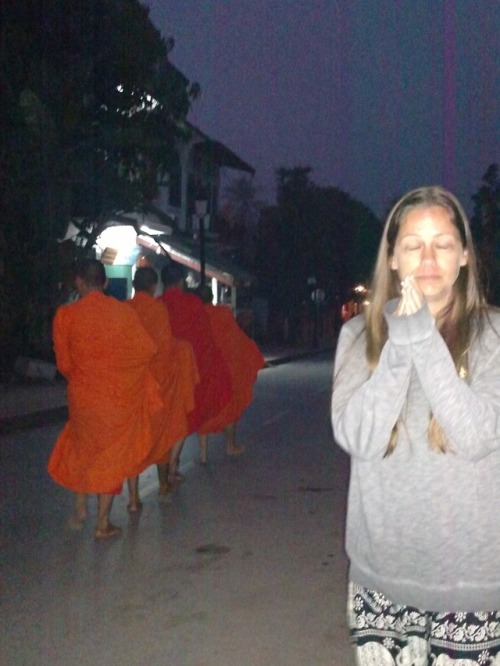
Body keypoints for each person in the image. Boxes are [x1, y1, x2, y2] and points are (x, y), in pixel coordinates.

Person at [331, 186, 500, 664]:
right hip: (382, 578)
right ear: (392, 257)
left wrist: (423, 340)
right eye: (412, 244)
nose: (428, 257)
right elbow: (358, 436)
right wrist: (398, 348)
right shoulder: (357, 336)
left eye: (443, 243)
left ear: (464, 255)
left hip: (472, 584)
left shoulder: (494, 335)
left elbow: (476, 436)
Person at [48, 259, 161, 538]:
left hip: (82, 396)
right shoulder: (122, 313)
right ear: (106, 282)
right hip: (115, 397)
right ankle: (102, 523)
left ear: (78, 282)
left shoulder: (66, 316)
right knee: (110, 455)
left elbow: (64, 364)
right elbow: (146, 350)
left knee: (81, 446)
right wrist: (123, 372)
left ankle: (80, 507)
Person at [125, 266, 199, 506]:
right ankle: (164, 484)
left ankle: (134, 498)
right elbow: (164, 347)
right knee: (162, 432)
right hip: (158, 381)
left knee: (133, 438)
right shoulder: (158, 309)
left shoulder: (125, 309)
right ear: (154, 285)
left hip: (132, 382)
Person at [159, 263, 232, 483]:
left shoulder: (157, 305)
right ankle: (171, 467)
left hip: (160, 372)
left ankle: (168, 468)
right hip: (187, 370)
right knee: (181, 420)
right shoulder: (192, 304)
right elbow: (204, 340)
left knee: (164, 421)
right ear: (181, 282)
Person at [195, 285, 265, 463]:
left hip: (204, 369)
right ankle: (230, 445)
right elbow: (235, 339)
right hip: (226, 368)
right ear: (211, 296)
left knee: (204, 409)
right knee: (230, 407)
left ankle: (203, 454)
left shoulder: (196, 316)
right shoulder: (223, 313)